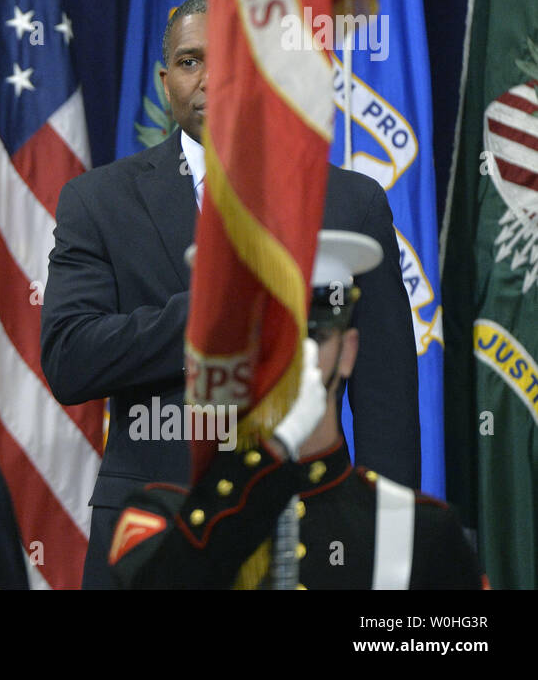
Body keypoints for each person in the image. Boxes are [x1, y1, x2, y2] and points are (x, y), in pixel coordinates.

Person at [40, 0, 420, 589]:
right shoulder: (98, 202)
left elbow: (387, 397)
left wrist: (387, 533)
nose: (211, 78)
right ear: (167, 82)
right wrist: (217, 309)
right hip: (153, 537)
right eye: (190, 62)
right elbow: (70, 358)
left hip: (314, 526)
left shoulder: (349, 202)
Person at [108, 231, 484, 590]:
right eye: (264, 338)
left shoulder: (421, 531)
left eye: (311, 337)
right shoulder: (166, 519)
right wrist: (275, 448)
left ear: (348, 353)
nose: (285, 362)